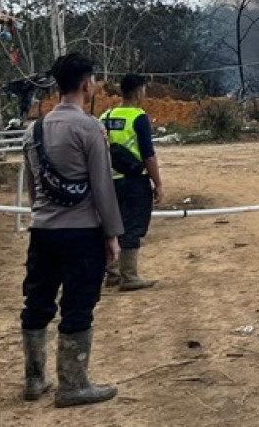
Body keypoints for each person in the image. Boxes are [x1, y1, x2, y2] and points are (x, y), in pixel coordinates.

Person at [21, 52, 122, 408]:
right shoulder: (90, 127)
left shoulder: (33, 129)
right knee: (78, 303)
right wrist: (112, 235)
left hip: (43, 230)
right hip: (81, 233)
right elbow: (102, 186)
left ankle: (34, 380)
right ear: (86, 84)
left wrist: (43, 216)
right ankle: (73, 384)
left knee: (37, 300)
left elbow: (34, 188)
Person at [99, 74, 163, 291]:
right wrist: (158, 183)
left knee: (110, 226)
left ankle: (112, 272)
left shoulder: (105, 115)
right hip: (134, 181)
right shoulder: (138, 117)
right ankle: (129, 276)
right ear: (138, 92)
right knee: (133, 226)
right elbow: (148, 155)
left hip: (109, 181)